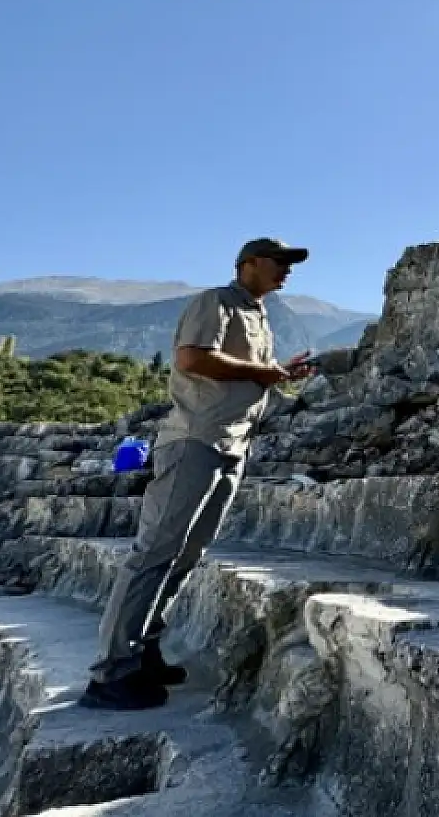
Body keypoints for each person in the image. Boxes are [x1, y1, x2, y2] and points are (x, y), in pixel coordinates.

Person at [80, 238, 315, 710]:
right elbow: (192, 358)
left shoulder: (258, 316)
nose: (286, 271)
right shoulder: (216, 302)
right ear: (247, 264)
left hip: (231, 444)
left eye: (290, 265)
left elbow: (248, 374)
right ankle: (111, 672)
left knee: (186, 554)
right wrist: (264, 372)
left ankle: (144, 650)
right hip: (195, 441)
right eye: (278, 262)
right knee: (155, 551)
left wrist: (276, 375)